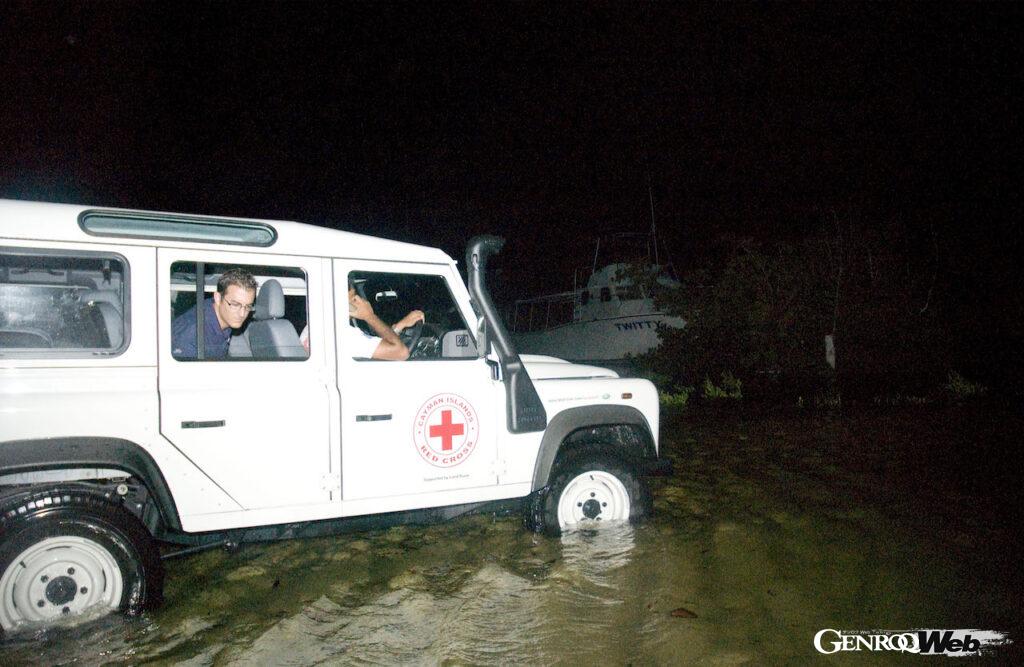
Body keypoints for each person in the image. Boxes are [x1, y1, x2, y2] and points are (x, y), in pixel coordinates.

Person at [299, 287, 424, 360]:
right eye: (353, 298)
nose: (360, 301)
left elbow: (375, 347)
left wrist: (399, 326)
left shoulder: (314, 326)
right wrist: (369, 316)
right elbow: (401, 353)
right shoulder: (343, 334)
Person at [171, 268, 258, 358]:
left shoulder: (220, 318)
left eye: (248, 306)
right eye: (235, 304)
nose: (242, 314)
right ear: (218, 298)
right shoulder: (192, 336)